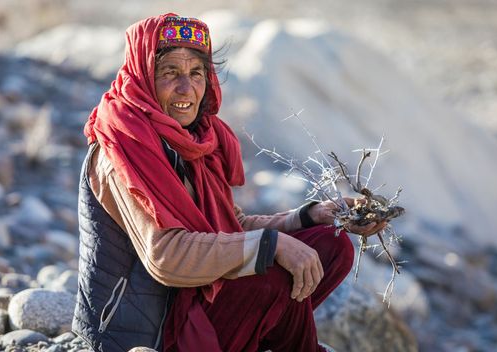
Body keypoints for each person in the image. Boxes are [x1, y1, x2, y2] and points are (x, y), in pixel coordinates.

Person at [72, 13, 386, 352]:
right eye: (169, 73)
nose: (185, 88)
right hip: (148, 333)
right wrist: (271, 246)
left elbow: (230, 227)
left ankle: (273, 336)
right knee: (274, 277)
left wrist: (310, 217)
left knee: (332, 244)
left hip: (193, 301)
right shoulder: (122, 146)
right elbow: (165, 257)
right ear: (144, 77)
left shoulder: (190, 141)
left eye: (196, 73)